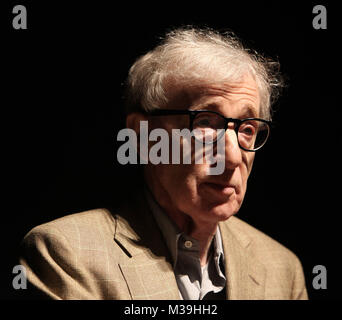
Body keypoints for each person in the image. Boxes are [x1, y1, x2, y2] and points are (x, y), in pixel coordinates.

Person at [19, 27, 308, 300]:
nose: (232, 157)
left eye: (247, 128)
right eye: (206, 123)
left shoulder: (283, 269)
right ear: (145, 136)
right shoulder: (66, 253)